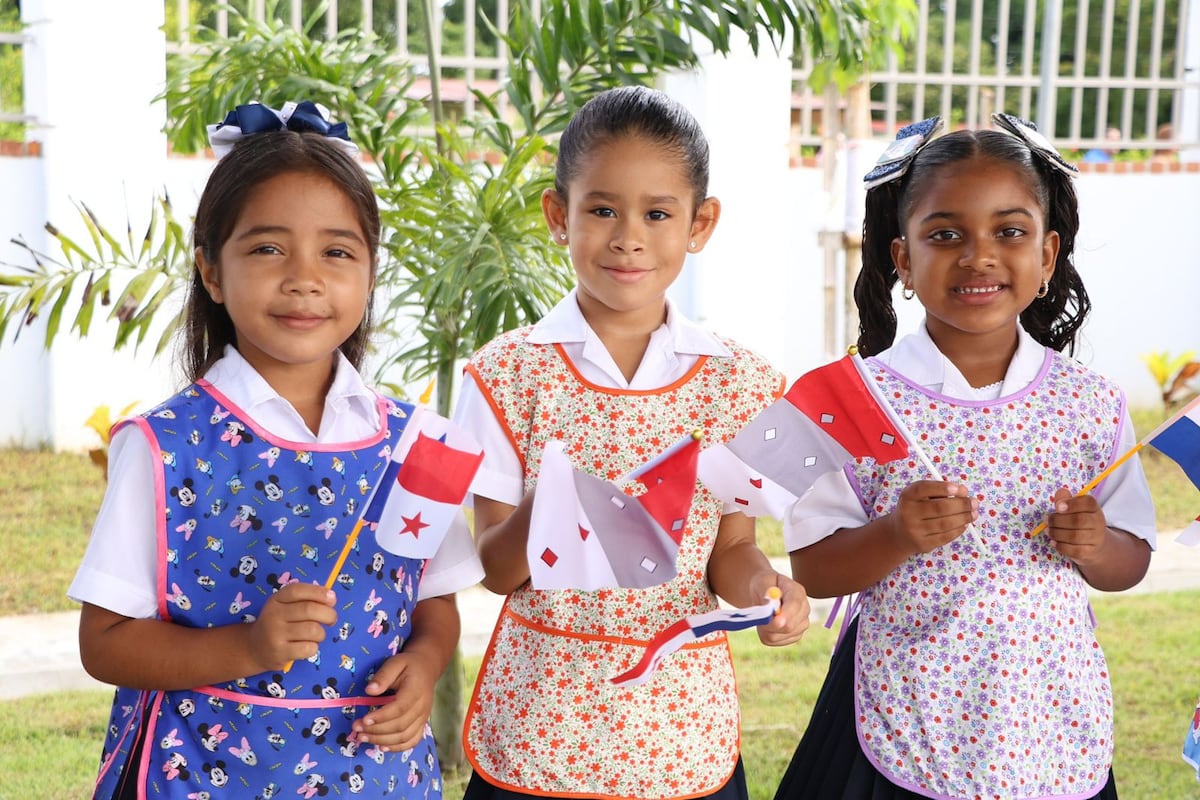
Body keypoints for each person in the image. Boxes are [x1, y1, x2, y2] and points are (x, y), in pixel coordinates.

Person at [69, 100, 482, 800]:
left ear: (370, 271)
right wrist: (248, 648)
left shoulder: (412, 440)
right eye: (267, 248)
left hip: (377, 778)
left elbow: (432, 597)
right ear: (210, 271)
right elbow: (104, 641)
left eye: (337, 252)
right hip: (200, 775)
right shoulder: (164, 446)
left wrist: (425, 661)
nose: (304, 277)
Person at [773, 114, 1157, 800]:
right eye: (945, 234)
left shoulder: (1092, 403)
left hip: (1045, 719)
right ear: (903, 260)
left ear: (1046, 256)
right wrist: (894, 534)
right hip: (900, 720)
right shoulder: (860, 399)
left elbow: (1131, 559)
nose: (978, 256)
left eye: (1009, 232)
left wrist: (1098, 546)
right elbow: (814, 567)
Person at [452, 85, 811, 800]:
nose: (628, 237)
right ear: (560, 215)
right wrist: (559, 501)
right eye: (603, 209)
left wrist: (768, 590)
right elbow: (495, 569)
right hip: (539, 724)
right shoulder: (504, 375)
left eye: (657, 213)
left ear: (700, 223)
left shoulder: (734, 382)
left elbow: (731, 551)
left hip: (680, 729)